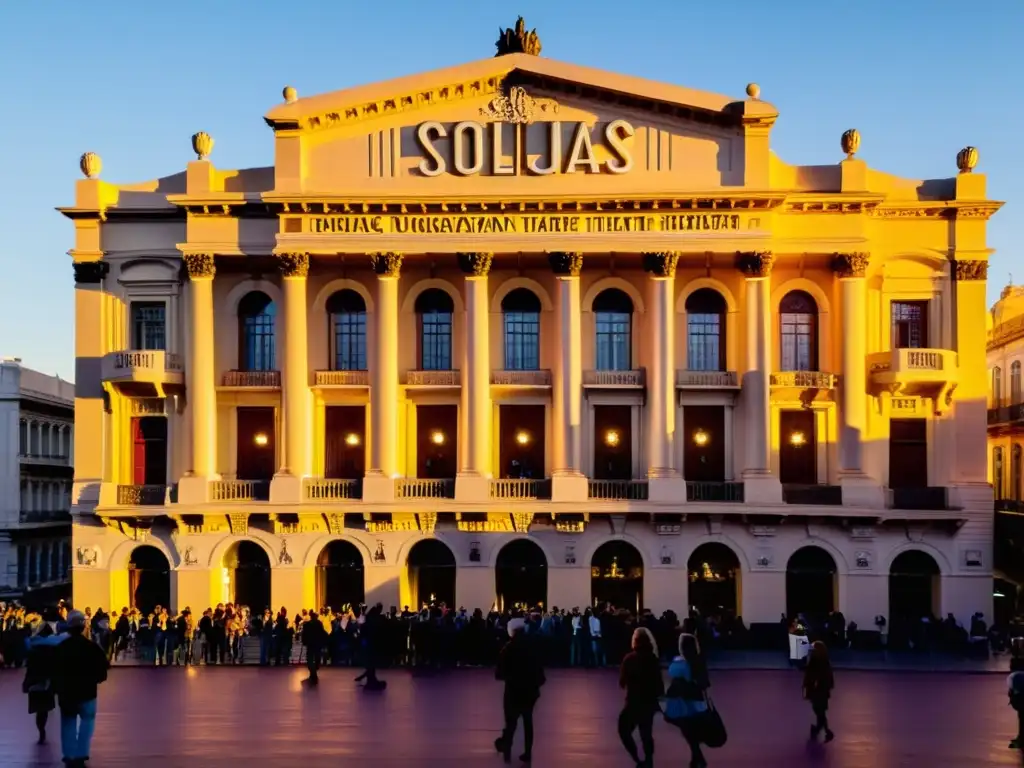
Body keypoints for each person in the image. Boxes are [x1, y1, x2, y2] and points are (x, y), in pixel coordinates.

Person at [52, 610, 109, 767]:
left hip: (67, 692)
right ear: (84, 626)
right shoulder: (92, 647)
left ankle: (69, 754)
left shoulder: (61, 648)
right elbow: (103, 671)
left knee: (68, 722)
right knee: (87, 722)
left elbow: (53, 670)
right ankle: (82, 753)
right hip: (88, 691)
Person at [494, 617, 545, 763]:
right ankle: (527, 752)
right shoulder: (533, 646)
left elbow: (499, 673)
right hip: (530, 691)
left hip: (513, 691)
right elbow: (540, 671)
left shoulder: (508, 648)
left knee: (511, 722)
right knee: (528, 722)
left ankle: (507, 750)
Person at [618, 627, 664, 768]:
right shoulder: (653, 659)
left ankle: (637, 758)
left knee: (624, 730)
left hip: (633, 701)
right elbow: (659, 683)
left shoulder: (629, 659)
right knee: (646, 733)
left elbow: (622, 682)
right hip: (649, 701)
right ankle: (649, 760)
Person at [664, 633, 710, 768]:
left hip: (683, 699)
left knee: (687, 729)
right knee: (691, 729)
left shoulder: (679, 662)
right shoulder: (698, 660)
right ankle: (697, 758)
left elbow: (672, 673)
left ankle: (698, 757)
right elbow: (704, 682)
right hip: (696, 698)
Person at [23, 621, 63, 744]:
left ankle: (41, 731)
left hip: (35, 683)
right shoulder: (53, 650)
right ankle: (42, 730)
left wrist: (26, 684)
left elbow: (29, 669)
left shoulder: (33, 650)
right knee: (44, 710)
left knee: (38, 710)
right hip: (47, 683)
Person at [803, 640, 835, 742]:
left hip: (818, 691)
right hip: (823, 691)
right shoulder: (825, 662)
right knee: (820, 712)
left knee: (819, 711)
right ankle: (822, 730)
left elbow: (811, 676)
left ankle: (823, 730)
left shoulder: (815, 662)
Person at [303, 607, 327, 685]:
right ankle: (314, 672)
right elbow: (323, 633)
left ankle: (312, 673)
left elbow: (304, 634)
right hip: (317, 644)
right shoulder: (319, 623)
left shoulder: (307, 625)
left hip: (311, 644)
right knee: (317, 658)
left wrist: (304, 642)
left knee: (310, 659)